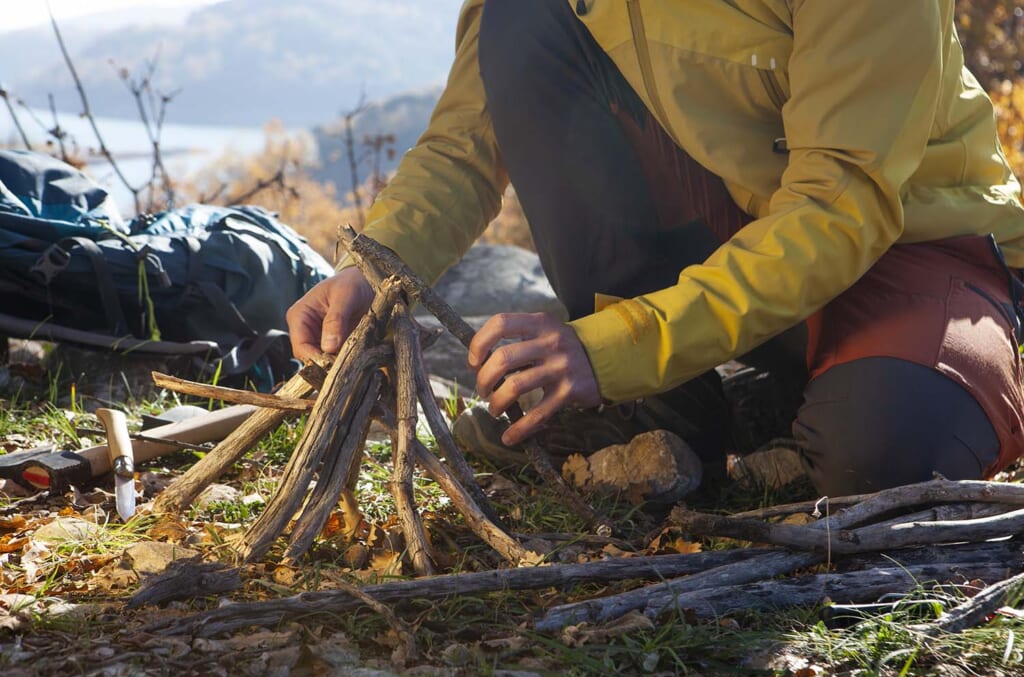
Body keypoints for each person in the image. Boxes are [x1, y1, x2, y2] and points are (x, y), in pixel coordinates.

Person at [287, 0, 1024, 497]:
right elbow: (467, 143)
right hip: (740, 236)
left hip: (914, 248)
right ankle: (664, 408)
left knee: (885, 455)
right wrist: (373, 267)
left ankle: (885, 381)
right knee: (520, 21)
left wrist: (614, 346)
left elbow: (841, 206)